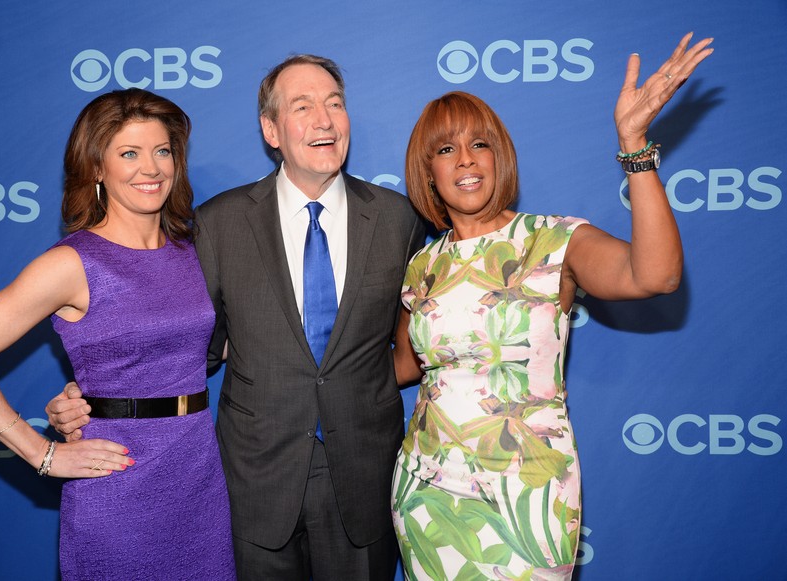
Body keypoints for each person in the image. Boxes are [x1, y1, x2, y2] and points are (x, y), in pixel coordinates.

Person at [47, 55, 426, 579]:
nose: (325, 119)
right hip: (252, 482)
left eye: (334, 104)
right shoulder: (217, 225)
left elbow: (422, 341)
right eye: (303, 106)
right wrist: (92, 398)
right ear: (271, 130)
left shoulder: (398, 219)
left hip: (364, 476)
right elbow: (188, 345)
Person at [390, 33, 713, 580]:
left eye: (479, 145)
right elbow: (400, 366)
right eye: (446, 149)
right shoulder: (423, 265)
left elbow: (656, 274)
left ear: (501, 157)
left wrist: (634, 144)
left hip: (528, 490)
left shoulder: (554, 240)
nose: (465, 160)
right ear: (428, 173)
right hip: (428, 494)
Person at [0, 88, 235, 580]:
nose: (150, 168)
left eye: (162, 151)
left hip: (198, 475)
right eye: (128, 153)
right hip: (117, 481)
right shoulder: (72, 263)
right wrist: (42, 454)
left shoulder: (193, 250)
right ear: (95, 167)